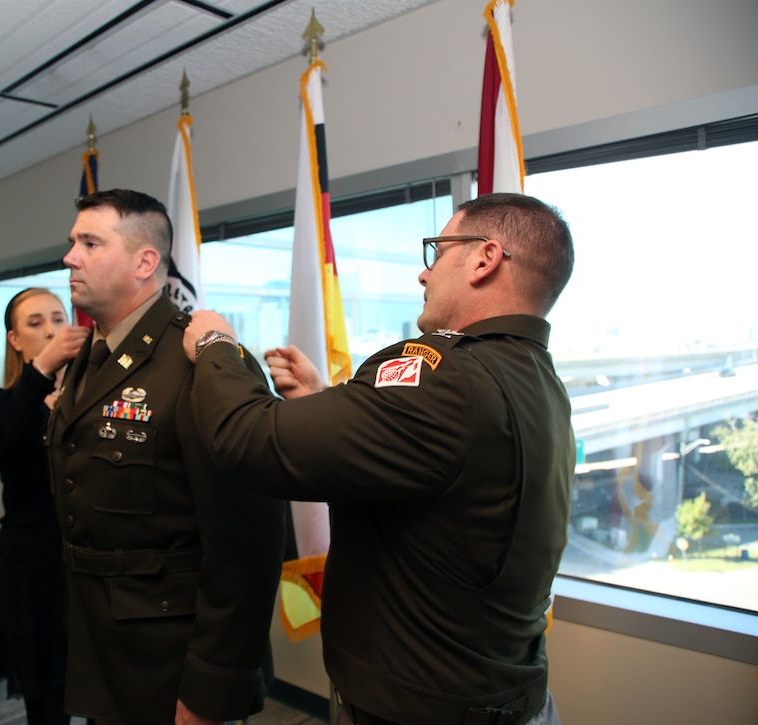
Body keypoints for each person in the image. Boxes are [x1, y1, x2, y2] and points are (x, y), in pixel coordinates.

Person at [183, 192, 575, 725]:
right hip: (498, 694)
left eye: (437, 251)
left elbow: (251, 441)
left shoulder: (446, 376)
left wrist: (216, 346)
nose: (424, 273)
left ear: (485, 258)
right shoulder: (536, 378)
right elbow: (430, 480)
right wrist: (328, 404)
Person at [49, 188, 285, 724]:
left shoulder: (202, 362)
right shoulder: (89, 355)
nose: (69, 257)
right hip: (100, 644)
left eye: (89, 242)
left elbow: (246, 548)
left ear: (145, 261)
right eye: (72, 242)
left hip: (172, 661)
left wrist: (210, 691)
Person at [0, 288, 87, 724]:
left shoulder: (89, 397)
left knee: (102, 692)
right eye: (35, 323)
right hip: (33, 568)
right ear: (14, 339)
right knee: (47, 702)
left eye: (58, 318)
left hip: (87, 565)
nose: (52, 329)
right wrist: (41, 371)